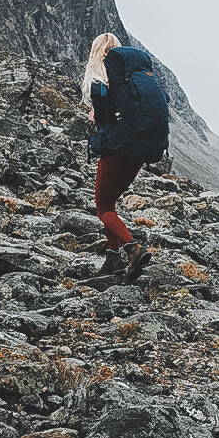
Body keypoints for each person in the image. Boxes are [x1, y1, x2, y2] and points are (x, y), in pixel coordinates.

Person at [81, 32, 169, 282]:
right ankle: (112, 257)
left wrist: (95, 115)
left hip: (116, 147)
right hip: (140, 147)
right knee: (112, 201)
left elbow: (102, 112)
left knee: (103, 206)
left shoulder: (100, 71)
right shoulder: (133, 75)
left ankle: (132, 248)